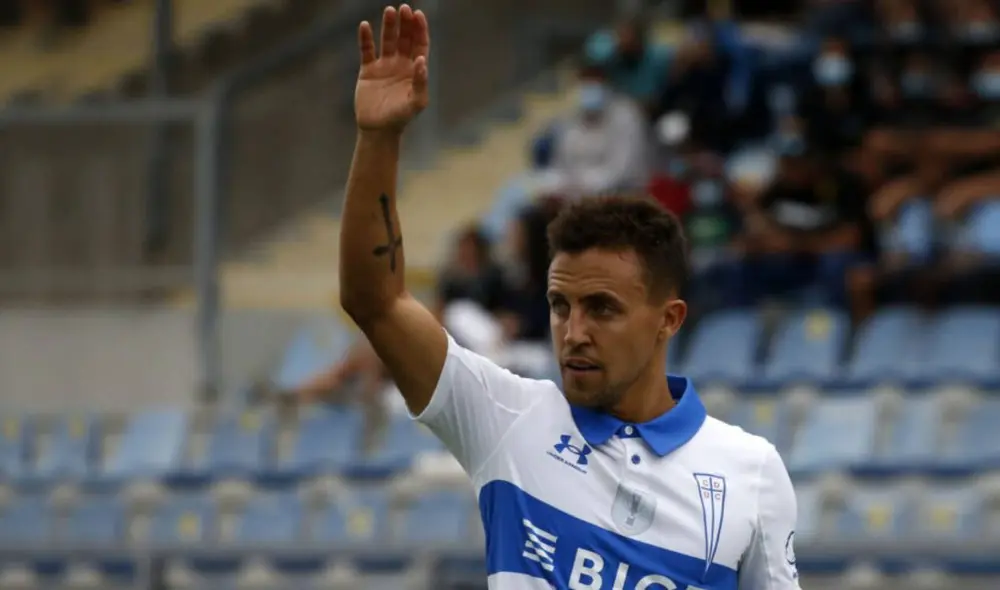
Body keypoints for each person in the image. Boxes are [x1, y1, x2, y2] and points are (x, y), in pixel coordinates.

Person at [341, 5, 800, 589]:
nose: (574, 332)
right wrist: (378, 139)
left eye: (602, 308)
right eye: (561, 306)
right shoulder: (507, 421)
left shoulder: (751, 474)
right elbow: (376, 302)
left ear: (669, 319)